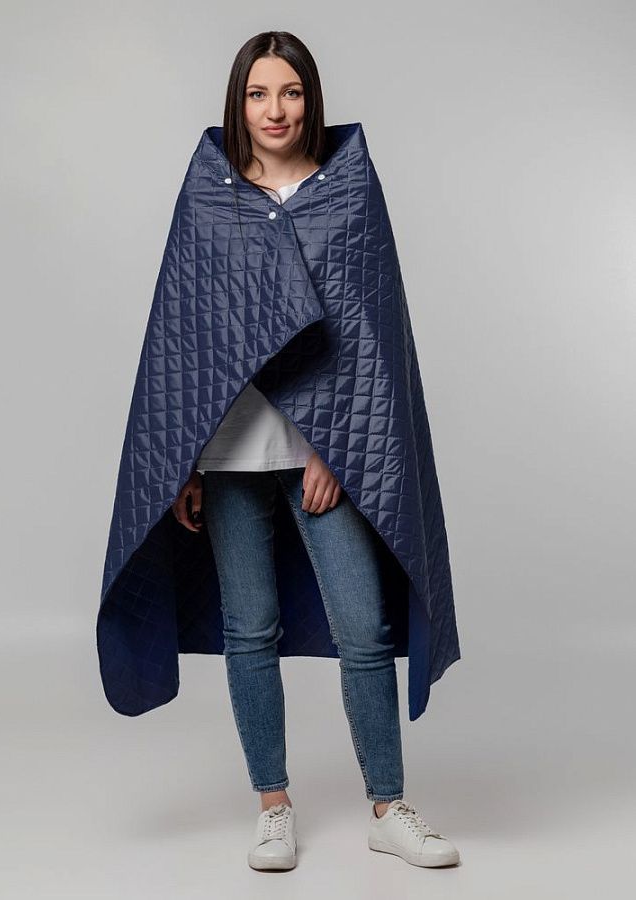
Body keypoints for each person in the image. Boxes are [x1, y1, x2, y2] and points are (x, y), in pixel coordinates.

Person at [171, 31, 461, 872]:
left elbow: (370, 334)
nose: (275, 110)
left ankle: (388, 808)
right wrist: (185, 457)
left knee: (363, 627)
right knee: (248, 628)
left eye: (290, 92)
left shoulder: (348, 190)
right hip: (229, 452)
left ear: (311, 99)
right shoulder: (210, 193)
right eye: (258, 93)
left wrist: (336, 447)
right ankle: (273, 808)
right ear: (239, 101)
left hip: (321, 454)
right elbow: (185, 336)